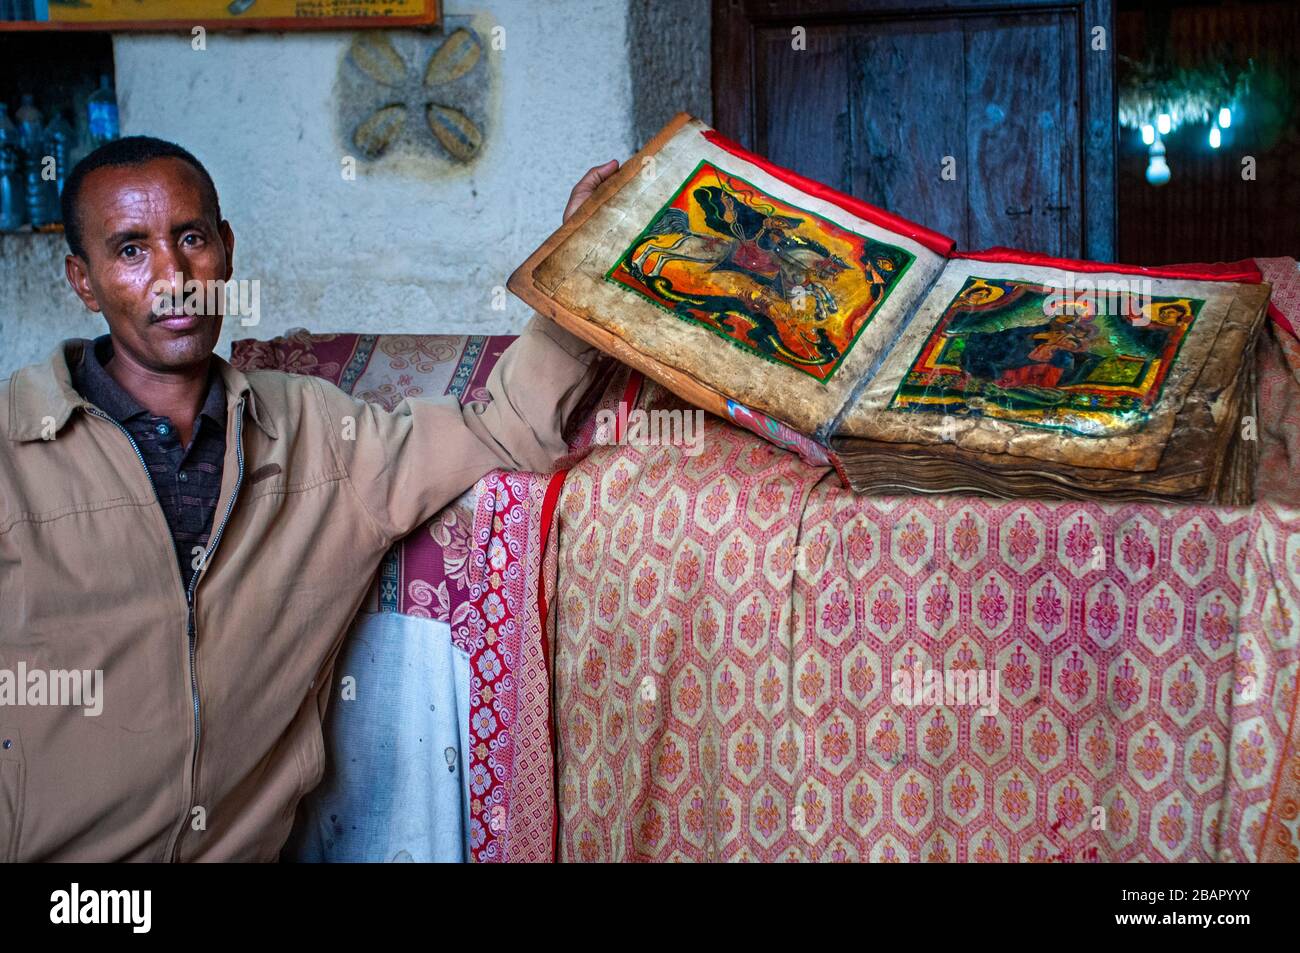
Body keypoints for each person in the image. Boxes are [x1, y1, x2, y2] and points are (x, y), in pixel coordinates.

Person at [0, 136, 619, 861]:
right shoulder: (16, 454)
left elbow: (504, 429)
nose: (174, 275)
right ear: (84, 279)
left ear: (225, 250)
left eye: (191, 238)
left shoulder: (315, 434)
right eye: (131, 250)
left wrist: (581, 262)